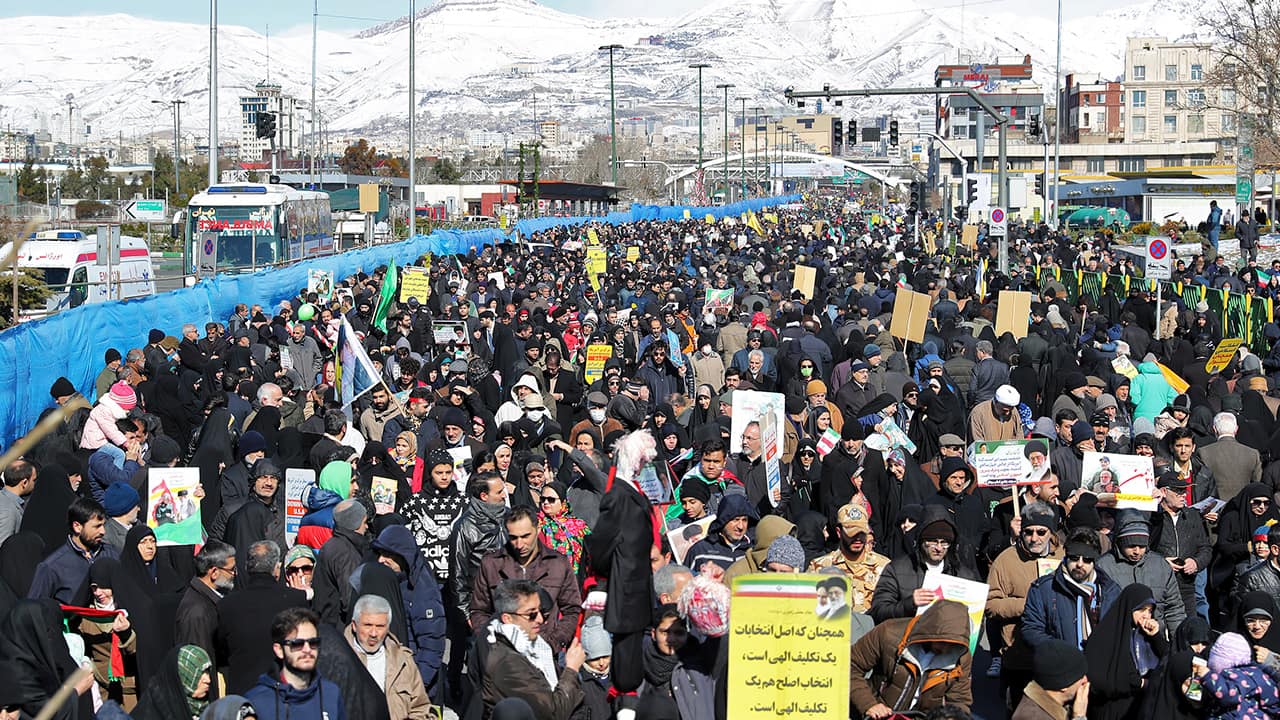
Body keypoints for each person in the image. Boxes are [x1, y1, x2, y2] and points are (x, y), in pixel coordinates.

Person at [470, 506, 583, 652]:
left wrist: (554, 641)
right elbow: (479, 610)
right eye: (513, 538)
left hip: (544, 650)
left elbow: (572, 609)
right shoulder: (491, 564)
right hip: (502, 654)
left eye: (525, 536)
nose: (519, 544)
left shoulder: (558, 563)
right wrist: (490, 642)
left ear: (537, 529)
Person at [986, 501, 1063, 700]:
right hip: (1017, 654)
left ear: (1051, 532)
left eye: (1041, 532)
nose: (1034, 538)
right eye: (1028, 532)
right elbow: (990, 604)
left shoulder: (1064, 557)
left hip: (1055, 654)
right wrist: (1028, 605)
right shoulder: (1006, 560)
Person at [480, 578, 585, 720]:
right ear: (507, 618)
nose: (540, 619)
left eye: (541, 611)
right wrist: (571, 670)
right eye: (532, 614)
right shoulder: (508, 662)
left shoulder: (534, 646)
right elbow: (553, 713)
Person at [848, 599, 973, 718]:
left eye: (952, 645)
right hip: (878, 714)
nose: (945, 649)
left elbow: (959, 699)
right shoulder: (888, 633)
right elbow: (849, 666)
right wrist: (868, 704)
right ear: (929, 631)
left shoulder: (960, 656)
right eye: (942, 642)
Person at [215, 540, 309, 695]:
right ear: (276, 569)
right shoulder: (296, 599)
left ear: (246, 568)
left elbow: (221, 649)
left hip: (244, 692)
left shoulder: (227, 605)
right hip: (284, 691)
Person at [370, 523, 447, 693]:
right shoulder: (391, 580)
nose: (381, 559)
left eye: (388, 554)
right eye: (380, 553)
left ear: (403, 556)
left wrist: (412, 688)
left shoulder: (423, 591)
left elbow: (432, 647)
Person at [870, 507, 978, 623]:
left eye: (944, 542)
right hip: (907, 637)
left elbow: (977, 617)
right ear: (922, 541)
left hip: (950, 638)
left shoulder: (962, 574)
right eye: (933, 542)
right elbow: (878, 611)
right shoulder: (896, 570)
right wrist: (910, 604)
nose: (939, 548)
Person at [1022, 528, 1123, 651]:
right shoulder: (1043, 589)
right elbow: (1032, 630)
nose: (1080, 564)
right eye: (1074, 557)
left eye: (1087, 559)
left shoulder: (1109, 590)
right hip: (1061, 664)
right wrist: (1061, 652)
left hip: (1099, 664)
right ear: (1066, 555)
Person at [1082, 583, 1168, 720]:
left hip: (1141, 707)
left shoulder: (1146, 636)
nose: (1146, 615)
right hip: (1114, 710)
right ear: (1129, 608)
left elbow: (1169, 659)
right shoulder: (1108, 635)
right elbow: (1105, 678)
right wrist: (1141, 683)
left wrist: (1156, 637)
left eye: (1150, 610)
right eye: (1141, 610)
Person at [245, 607, 348, 720]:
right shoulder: (257, 701)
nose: (307, 649)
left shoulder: (331, 694)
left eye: (313, 642)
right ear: (279, 650)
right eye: (297, 644)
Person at [345, 594, 431, 720]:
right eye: (368, 625)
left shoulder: (403, 661)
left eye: (380, 627)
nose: (374, 634)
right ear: (354, 625)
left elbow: (420, 707)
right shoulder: (338, 659)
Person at [1097, 519, 1186, 634]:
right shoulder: (1103, 566)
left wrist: (1179, 644)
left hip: (1155, 638)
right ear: (1120, 543)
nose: (1137, 551)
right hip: (1120, 637)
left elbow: (1174, 608)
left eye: (1142, 546)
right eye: (1131, 546)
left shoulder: (1160, 565)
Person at [28, 496, 120, 603]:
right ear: (77, 527)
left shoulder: (111, 554)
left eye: (103, 525)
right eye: (97, 526)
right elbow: (34, 608)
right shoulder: (53, 566)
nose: (103, 531)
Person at [808, 502, 890, 614]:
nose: (858, 538)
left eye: (862, 533)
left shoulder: (884, 567)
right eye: (851, 533)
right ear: (839, 532)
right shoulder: (819, 567)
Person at [313, 499, 371, 627]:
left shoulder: (335, 545)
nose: (366, 527)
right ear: (355, 523)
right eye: (364, 522)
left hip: (329, 622)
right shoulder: (344, 552)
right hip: (338, 626)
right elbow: (350, 597)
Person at [176, 539, 236, 662]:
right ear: (214, 572)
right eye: (231, 570)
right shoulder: (197, 612)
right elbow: (198, 661)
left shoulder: (209, 600)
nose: (234, 574)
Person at [1011, 639, 1089, 720]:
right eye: (1080, 676)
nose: (1085, 680)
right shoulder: (1032, 716)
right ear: (1063, 684)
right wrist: (1079, 717)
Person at [131, 644, 215, 720]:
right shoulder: (151, 712)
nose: (208, 680)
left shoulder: (211, 707)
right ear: (183, 675)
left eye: (208, 672)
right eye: (199, 674)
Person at [0, 459, 36, 545]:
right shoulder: (9, 512)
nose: (35, 484)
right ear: (24, 483)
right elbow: (3, 546)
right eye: (34, 480)